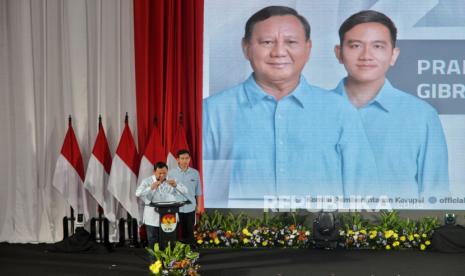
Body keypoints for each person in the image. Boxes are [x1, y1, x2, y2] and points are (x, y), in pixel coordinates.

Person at [203, 6, 377, 206]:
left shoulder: (340, 111)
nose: (278, 52)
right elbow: (195, 193)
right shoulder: (211, 112)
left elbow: (365, 195)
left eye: (291, 42)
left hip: (322, 237)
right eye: (267, 42)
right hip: (234, 236)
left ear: (308, 48)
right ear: (246, 48)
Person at [332, 10, 449, 199]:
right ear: (339, 53)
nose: (366, 56)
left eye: (378, 46)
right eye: (355, 46)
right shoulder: (313, 112)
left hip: (398, 228)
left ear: (394, 55)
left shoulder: (421, 115)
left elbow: (436, 195)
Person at [135, 162, 187, 249]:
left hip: (169, 217)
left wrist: (176, 185)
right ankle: (155, 262)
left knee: (169, 242)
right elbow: (138, 193)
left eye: (164, 173)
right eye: (160, 173)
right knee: (153, 242)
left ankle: (169, 262)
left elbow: (185, 191)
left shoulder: (172, 180)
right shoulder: (147, 181)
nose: (162, 175)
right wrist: (150, 187)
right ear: (154, 172)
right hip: (152, 218)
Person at [168, 149, 202, 246]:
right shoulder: (171, 173)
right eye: (182, 158)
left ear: (190, 159)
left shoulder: (195, 173)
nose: (184, 161)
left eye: (187, 158)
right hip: (175, 208)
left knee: (189, 232)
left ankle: (190, 253)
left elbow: (198, 191)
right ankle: (176, 254)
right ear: (177, 160)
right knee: (175, 232)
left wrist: (199, 206)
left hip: (190, 207)